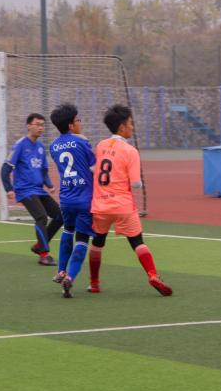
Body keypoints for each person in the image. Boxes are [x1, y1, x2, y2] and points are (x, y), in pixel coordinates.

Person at [88, 104, 172, 296]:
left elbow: (94, 170)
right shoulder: (130, 150)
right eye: (130, 123)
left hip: (100, 204)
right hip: (122, 205)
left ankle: (94, 283)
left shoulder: (100, 145)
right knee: (137, 242)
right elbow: (136, 184)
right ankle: (152, 275)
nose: (132, 127)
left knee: (97, 242)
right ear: (122, 127)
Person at [1, 113, 62, 266]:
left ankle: (39, 245)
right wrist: (9, 188)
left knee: (60, 216)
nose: (40, 128)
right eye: (37, 124)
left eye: (42, 125)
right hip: (25, 190)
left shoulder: (40, 147)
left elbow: (43, 170)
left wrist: (49, 185)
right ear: (29, 126)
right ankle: (44, 255)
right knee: (41, 217)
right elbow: (5, 168)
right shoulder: (20, 145)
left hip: (39, 190)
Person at [48, 103, 96, 298]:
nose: (80, 123)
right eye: (78, 120)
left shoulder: (53, 146)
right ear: (70, 125)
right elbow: (94, 167)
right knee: (82, 239)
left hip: (66, 199)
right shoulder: (82, 142)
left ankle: (61, 270)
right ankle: (70, 277)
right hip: (85, 199)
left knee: (68, 230)